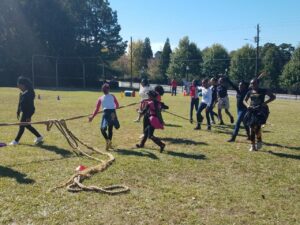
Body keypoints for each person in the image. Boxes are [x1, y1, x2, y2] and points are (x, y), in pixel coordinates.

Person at [243, 78, 276, 151]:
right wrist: (248, 105)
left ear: (258, 84)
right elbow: (244, 100)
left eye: (254, 83)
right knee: (251, 128)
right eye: (251, 83)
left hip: (260, 111)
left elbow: (273, 97)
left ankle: (259, 140)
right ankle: (252, 146)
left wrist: (264, 103)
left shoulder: (263, 90)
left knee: (257, 128)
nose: (252, 85)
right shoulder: (249, 92)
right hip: (252, 111)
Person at [9, 76, 43, 145]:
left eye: (19, 86)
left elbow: (30, 107)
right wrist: (18, 111)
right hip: (25, 111)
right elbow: (20, 103)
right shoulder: (22, 93)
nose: (18, 87)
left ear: (24, 85)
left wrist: (28, 116)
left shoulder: (29, 93)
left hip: (28, 111)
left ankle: (16, 141)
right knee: (27, 125)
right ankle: (39, 136)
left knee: (22, 125)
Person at [89, 83, 120, 150]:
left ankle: (108, 142)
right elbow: (117, 105)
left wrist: (92, 117)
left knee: (103, 129)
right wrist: (113, 107)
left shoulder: (100, 98)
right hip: (112, 113)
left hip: (107, 113)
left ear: (102, 90)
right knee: (110, 129)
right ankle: (108, 142)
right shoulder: (112, 96)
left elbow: (97, 109)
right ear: (108, 89)